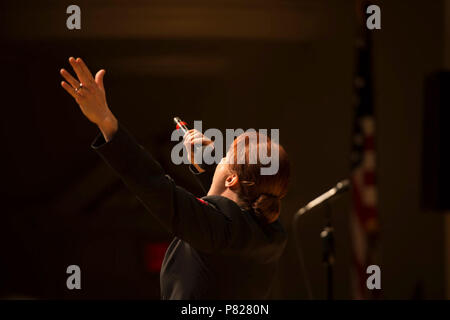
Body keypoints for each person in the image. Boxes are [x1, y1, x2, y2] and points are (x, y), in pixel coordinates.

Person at [60, 57, 290, 299]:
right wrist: (208, 162)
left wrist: (105, 120)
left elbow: (151, 182)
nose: (219, 159)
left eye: (225, 158)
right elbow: (235, 205)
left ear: (232, 179)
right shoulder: (272, 234)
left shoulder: (217, 228)